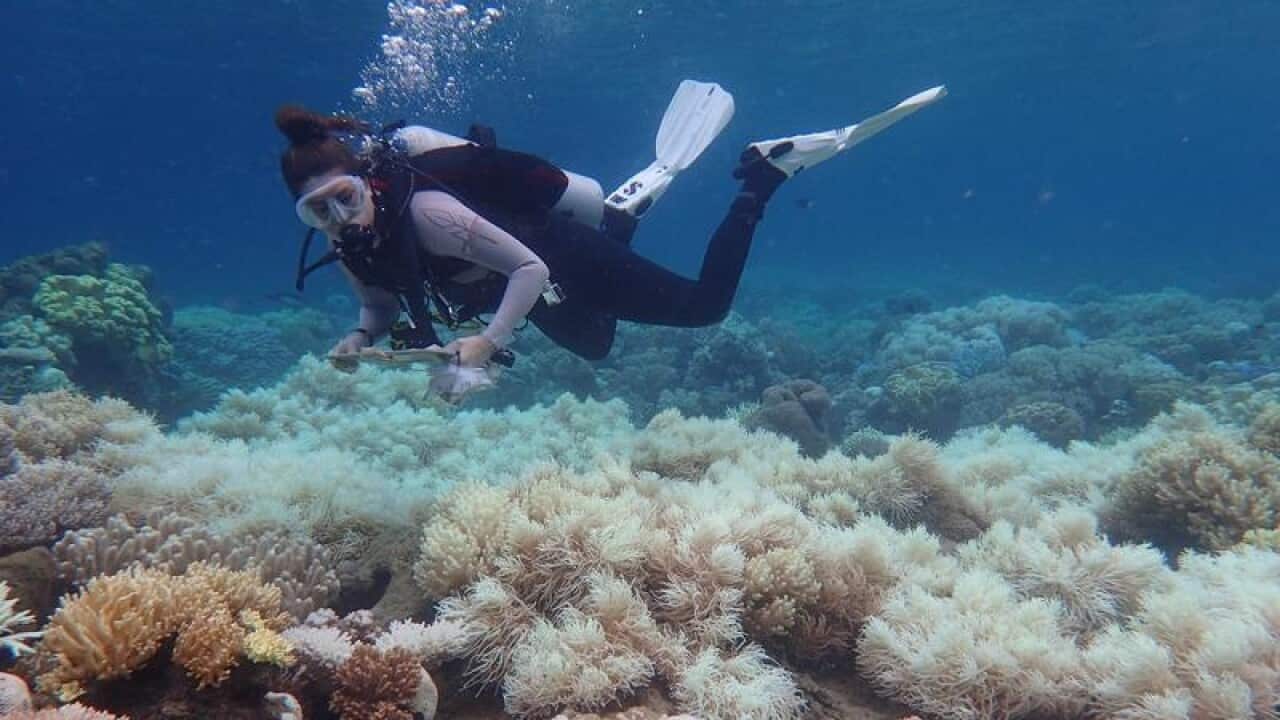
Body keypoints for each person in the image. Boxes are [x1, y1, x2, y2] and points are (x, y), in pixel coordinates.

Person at [277, 82, 945, 386]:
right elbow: (378, 304)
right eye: (318, 213)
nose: (339, 220)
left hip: (553, 257)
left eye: (344, 199)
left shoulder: (429, 215)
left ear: (365, 181)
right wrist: (360, 337)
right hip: (523, 287)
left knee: (705, 308)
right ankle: (620, 218)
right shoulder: (347, 244)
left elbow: (530, 270)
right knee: (596, 346)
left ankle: (763, 178)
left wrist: (487, 340)